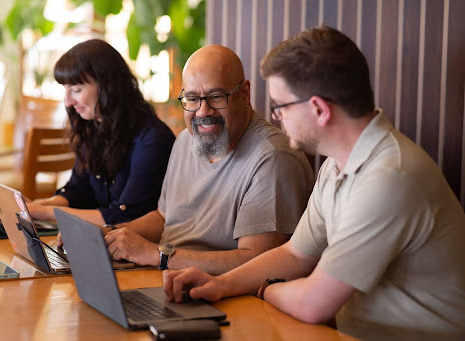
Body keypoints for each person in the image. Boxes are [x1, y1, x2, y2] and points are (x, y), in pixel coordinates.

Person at [162, 26, 465, 340]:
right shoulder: (338, 162)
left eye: (281, 106)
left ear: (319, 109)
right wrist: (221, 284)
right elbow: (295, 254)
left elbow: (312, 305)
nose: (275, 118)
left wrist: (263, 288)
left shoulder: (388, 178)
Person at [104, 45, 314, 275]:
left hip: (225, 294)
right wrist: (111, 234)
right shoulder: (187, 139)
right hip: (166, 275)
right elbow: (165, 218)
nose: (203, 111)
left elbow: (256, 262)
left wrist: (156, 255)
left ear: (244, 93)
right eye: (192, 98)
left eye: (216, 97)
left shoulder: (272, 158)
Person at [26, 39, 175, 231]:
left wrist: (46, 213)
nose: (68, 101)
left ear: (108, 85)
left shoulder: (153, 140)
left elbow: (125, 216)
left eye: (76, 90)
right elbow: (78, 191)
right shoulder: (95, 127)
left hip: (139, 252)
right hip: (103, 244)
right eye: (65, 89)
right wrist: (38, 206)